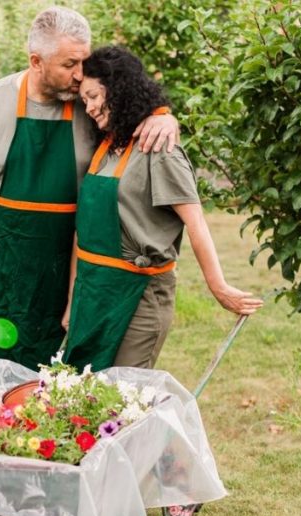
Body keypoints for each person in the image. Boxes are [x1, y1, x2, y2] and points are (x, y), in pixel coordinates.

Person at [0, 7, 180, 371]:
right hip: (6, 264)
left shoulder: (92, 106)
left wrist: (163, 116)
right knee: (0, 362)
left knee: (69, 371)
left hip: (73, 265)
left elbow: (138, 108)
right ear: (36, 61)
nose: (80, 74)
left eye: (84, 61)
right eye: (69, 64)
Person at [63, 45, 263, 373]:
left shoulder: (160, 150)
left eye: (95, 96)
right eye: (84, 100)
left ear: (120, 89)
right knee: (86, 400)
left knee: (124, 402)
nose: (90, 107)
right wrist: (73, 300)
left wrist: (220, 288)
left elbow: (196, 223)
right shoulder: (108, 146)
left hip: (137, 298)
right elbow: (82, 233)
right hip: (92, 293)